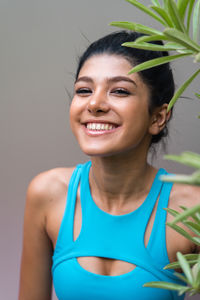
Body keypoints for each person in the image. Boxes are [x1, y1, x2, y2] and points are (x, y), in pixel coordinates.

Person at [18, 31, 200, 300]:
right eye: (84, 90)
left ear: (158, 117)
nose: (94, 104)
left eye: (119, 91)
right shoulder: (48, 193)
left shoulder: (191, 209)